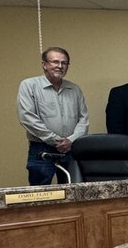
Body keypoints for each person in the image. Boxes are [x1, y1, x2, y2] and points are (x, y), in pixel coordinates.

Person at [16, 47, 89, 185]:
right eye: (55, 62)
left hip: (71, 149)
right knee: (41, 195)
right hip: (42, 149)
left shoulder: (74, 89)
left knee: (74, 192)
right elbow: (27, 117)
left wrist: (71, 140)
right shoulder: (29, 85)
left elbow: (83, 119)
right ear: (44, 64)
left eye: (64, 63)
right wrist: (55, 140)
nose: (60, 66)